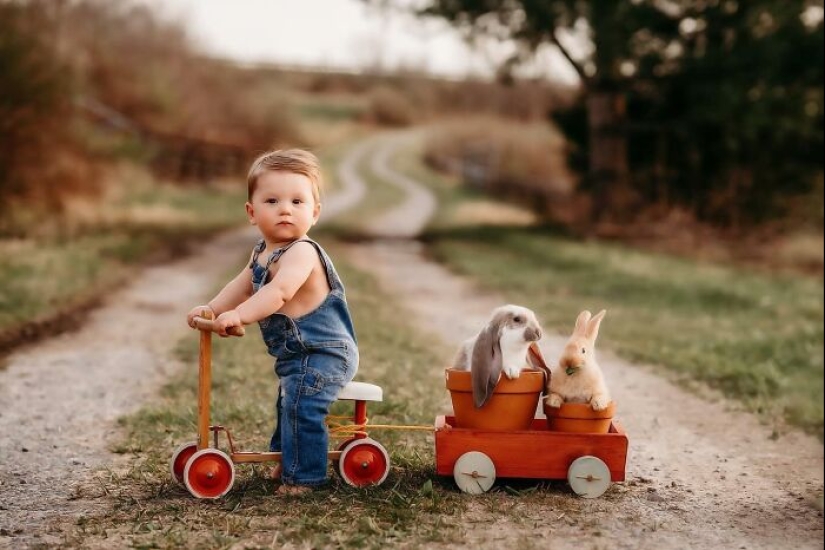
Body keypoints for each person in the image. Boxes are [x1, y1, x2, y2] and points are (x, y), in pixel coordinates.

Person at [186, 149, 358, 495]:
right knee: (288, 403)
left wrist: (241, 315)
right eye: (272, 200)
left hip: (326, 353)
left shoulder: (303, 252)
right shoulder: (261, 253)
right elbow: (242, 285)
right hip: (299, 354)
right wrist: (213, 309)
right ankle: (287, 457)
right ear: (252, 212)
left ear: (315, 212)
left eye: (297, 201)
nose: (285, 209)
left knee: (302, 405)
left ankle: (305, 476)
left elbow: (279, 292)